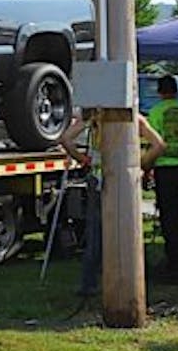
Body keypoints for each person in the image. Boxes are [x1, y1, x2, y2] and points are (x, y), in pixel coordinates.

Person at [59, 109, 166, 297]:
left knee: (95, 233)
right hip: (125, 181)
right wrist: (141, 164)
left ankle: (89, 283)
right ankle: (130, 280)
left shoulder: (94, 118)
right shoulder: (135, 119)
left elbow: (66, 139)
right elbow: (159, 145)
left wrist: (82, 158)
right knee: (128, 231)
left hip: (99, 178)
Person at [146, 76, 178, 281]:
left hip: (164, 168)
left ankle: (173, 259)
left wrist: (147, 167)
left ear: (160, 92)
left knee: (168, 214)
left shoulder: (156, 111)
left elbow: (154, 143)